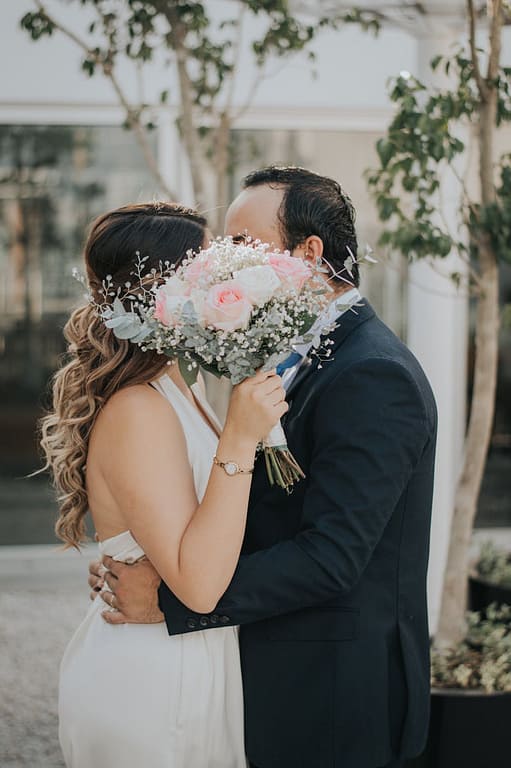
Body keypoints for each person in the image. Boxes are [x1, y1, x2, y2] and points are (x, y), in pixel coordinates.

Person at [90, 167, 438, 768]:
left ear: (309, 254)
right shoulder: (282, 356)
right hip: (268, 676)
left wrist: (168, 600)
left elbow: (333, 557)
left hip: (331, 692)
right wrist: (150, 543)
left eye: (241, 249)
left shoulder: (374, 374)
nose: (220, 270)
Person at [42, 201, 288, 767]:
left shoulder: (183, 391)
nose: (227, 282)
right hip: (153, 680)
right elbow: (199, 587)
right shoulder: (138, 410)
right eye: (211, 270)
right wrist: (239, 438)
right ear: (167, 293)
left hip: (191, 655)